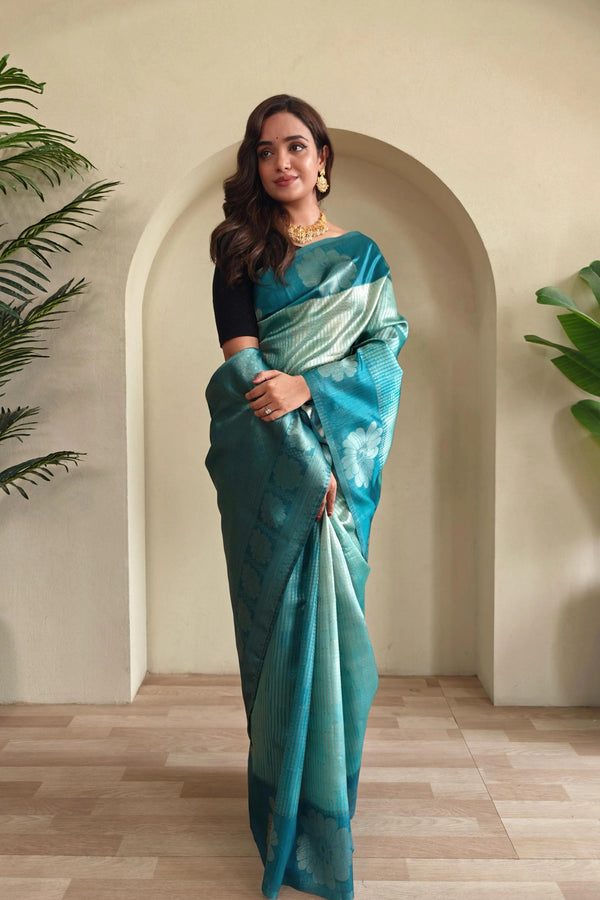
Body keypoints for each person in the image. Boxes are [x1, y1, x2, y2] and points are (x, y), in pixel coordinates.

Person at [206, 94, 408, 900]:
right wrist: (306, 468)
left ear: (322, 158)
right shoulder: (240, 254)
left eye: (295, 146)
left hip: (343, 476)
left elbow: (387, 353)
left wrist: (313, 389)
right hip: (277, 474)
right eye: (265, 151)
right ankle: (280, 810)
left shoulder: (363, 258)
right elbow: (245, 373)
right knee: (280, 641)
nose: (280, 162)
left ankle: (327, 807)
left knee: (341, 650)